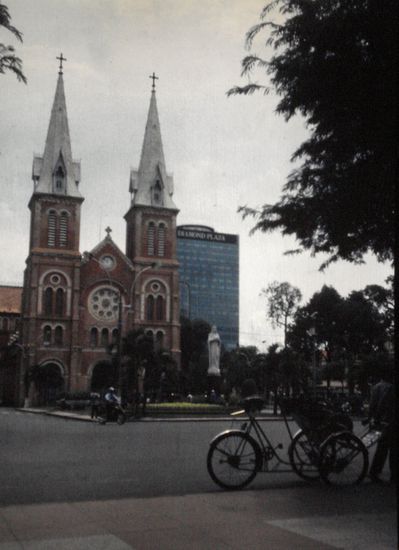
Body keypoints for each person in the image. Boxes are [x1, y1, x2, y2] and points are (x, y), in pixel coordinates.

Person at [367, 370, 395, 483]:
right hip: (390, 422)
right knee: (392, 449)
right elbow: (383, 403)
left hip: (382, 421)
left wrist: (372, 418)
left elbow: (373, 404)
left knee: (382, 448)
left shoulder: (376, 387)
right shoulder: (390, 388)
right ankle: (393, 475)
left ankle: (375, 471)